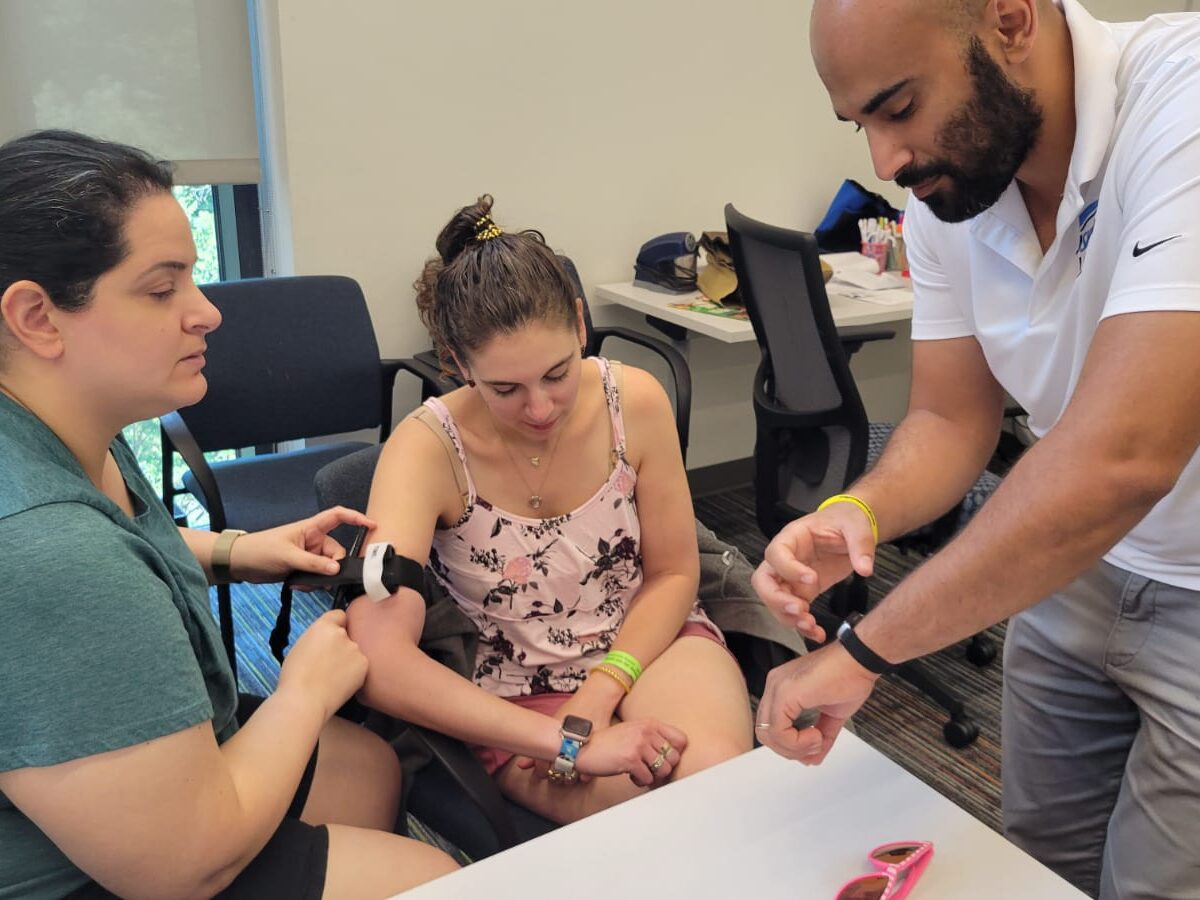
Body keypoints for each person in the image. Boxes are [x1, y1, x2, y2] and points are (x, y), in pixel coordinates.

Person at [751, 2, 1200, 898]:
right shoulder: (955, 189)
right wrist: (858, 511)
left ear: (1010, 20)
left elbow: (1124, 458)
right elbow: (954, 420)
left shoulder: (1180, 101)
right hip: (1072, 566)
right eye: (861, 126)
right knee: (1035, 860)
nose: (885, 162)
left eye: (900, 106)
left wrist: (863, 648)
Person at [0, 130, 457, 899]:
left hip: (134, 749)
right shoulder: (46, 551)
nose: (206, 312)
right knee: (436, 878)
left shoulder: (67, 423)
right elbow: (184, 863)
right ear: (37, 318)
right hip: (113, 865)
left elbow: (114, 532)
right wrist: (302, 691)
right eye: (161, 288)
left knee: (371, 770)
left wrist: (236, 550)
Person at [347, 196, 753, 824]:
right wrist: (567, 740)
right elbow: (380, 659)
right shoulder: (426, 451)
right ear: (456, 363)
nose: (540, 409)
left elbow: (674, 574)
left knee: (714, 782)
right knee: (657, 816)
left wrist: (603, 686)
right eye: (504, 389)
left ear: (580, 323)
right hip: (520, 688)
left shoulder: (634, 403)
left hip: (646, 638)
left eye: (558, 373)